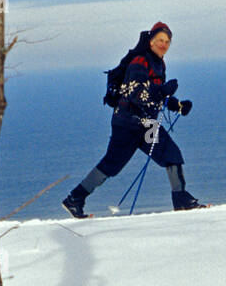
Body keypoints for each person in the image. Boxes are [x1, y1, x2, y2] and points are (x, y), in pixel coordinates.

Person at [63, 21, 205, 217]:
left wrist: (177, 105)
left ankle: (181, 200)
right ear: (151, 41)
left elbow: (156, 97)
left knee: (171, 155)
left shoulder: (159, 63)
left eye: (167, 41)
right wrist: (162, 90)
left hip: (146, 124)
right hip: (128, 124)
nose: (164, 44)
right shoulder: (140, 61)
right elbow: (136, 93)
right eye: (160, 40)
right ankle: (75, 198)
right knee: (111, 164)